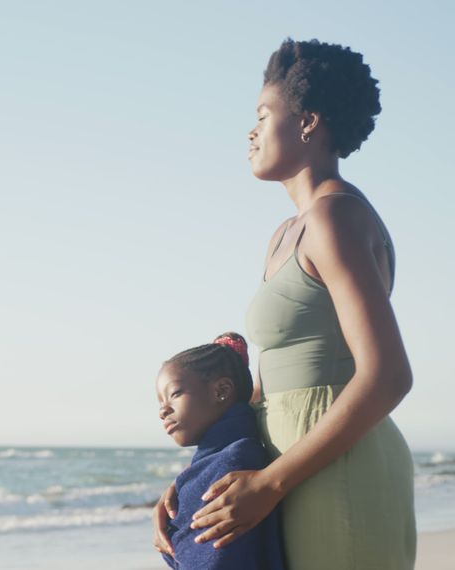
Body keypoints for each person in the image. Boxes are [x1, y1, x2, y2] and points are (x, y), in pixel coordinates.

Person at [152, 38, 416, 569]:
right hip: (291, 470)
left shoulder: (334, 216)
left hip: (337, 471)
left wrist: (271, 482)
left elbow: (388, 376)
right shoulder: (285, 236)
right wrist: (193, 482)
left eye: (263, 114)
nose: (251, 130)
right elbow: (269, 388)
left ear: (307, 122)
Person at [155, 333, 285, 569]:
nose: (163, 410)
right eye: (160, 401)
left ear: (221, 390)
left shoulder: (234, 463)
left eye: (174, 394)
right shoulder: (217, 460)